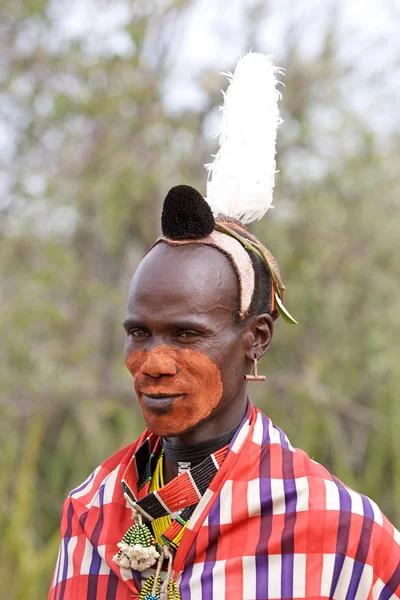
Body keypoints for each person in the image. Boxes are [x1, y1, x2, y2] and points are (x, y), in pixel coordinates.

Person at [49, 53, 400, 600]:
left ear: (256, 338)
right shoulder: (90, 512)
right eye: (140, 332)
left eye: (186, 335)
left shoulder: (342, 533)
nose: (154, 363)